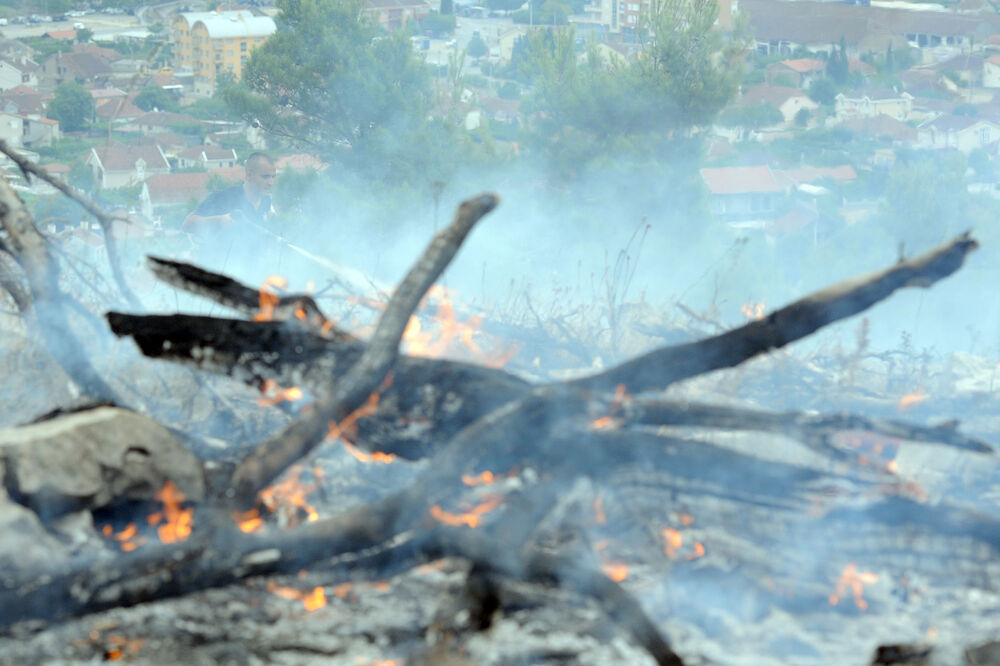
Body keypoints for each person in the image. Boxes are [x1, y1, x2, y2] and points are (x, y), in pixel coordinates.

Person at [182, 152, 277, 270]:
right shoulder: (224, 197)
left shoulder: (266, 201)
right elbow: (187, 224)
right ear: (249, 175)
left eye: (273, 176)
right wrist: (219, 220)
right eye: (265, 177)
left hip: (249, 273)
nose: (271, 182)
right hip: (217, 272)